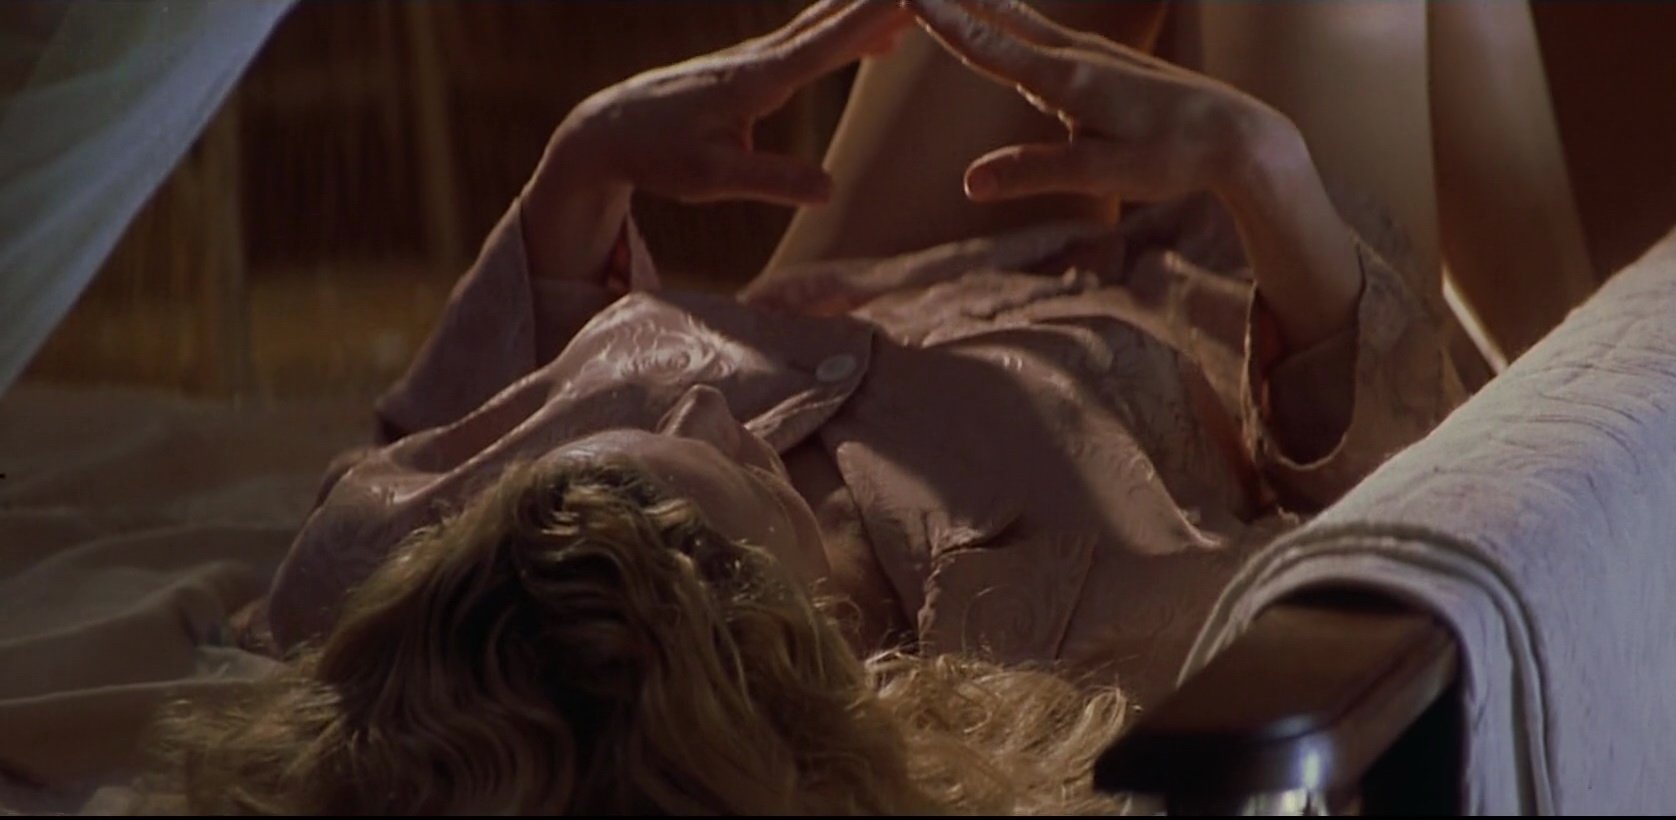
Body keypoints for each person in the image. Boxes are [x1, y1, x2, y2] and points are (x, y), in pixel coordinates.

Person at [146, 0, 1580, 812]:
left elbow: (414, 455)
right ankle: (1609, 353)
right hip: (1246, 304)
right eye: (733, 469)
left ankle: (1587, 303)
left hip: (865, 287)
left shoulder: (422, 605)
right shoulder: (1057, 654)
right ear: (794, 642)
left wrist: (580, 176)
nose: (717, 417)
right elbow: (1403, 522)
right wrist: (1262, 173)